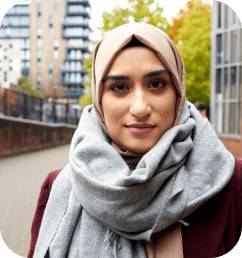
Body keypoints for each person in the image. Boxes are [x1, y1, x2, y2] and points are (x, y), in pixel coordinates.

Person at [28, 23, 242, 258]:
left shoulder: (232, 182)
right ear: (99, 99)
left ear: (178, 93)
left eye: (156, 84)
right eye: (119, 87)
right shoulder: (59, 186)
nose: (140, 108)